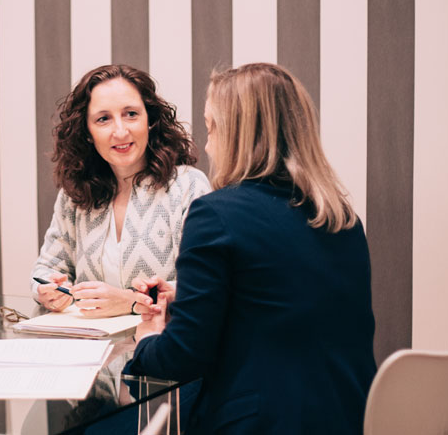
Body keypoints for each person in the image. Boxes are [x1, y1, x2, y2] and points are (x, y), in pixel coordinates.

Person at [124, 63, 376, 434]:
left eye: (210, 128)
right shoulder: (342, 219)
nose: (206, 145)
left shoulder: (215, 214)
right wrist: (193, 295)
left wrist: (145, 341)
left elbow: (182, 357)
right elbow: (286, 307)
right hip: (348, 418)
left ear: (238, 134)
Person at [31, 64, 211, 317]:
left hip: (163, 347)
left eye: (131, 114)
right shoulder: (75, 194)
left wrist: (132, 301)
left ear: (150, 120)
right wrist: (48, 290)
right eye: (103, 119)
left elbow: (204, 285)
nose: (120, 131)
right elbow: (45, 269)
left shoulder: (187, 186)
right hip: (89, 347)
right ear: (88, 133)